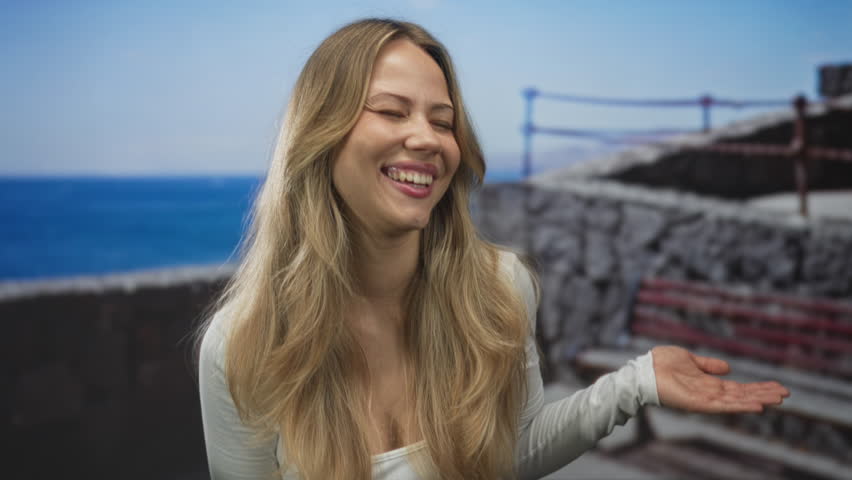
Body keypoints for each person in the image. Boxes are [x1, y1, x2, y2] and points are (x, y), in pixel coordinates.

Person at [197, 18, 789, 480]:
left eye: (443, 120)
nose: (427, 139)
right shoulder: (244, 344)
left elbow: (506, 456)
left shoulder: (500, 289)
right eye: (390, 111)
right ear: (318, 137)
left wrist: (637, 384)